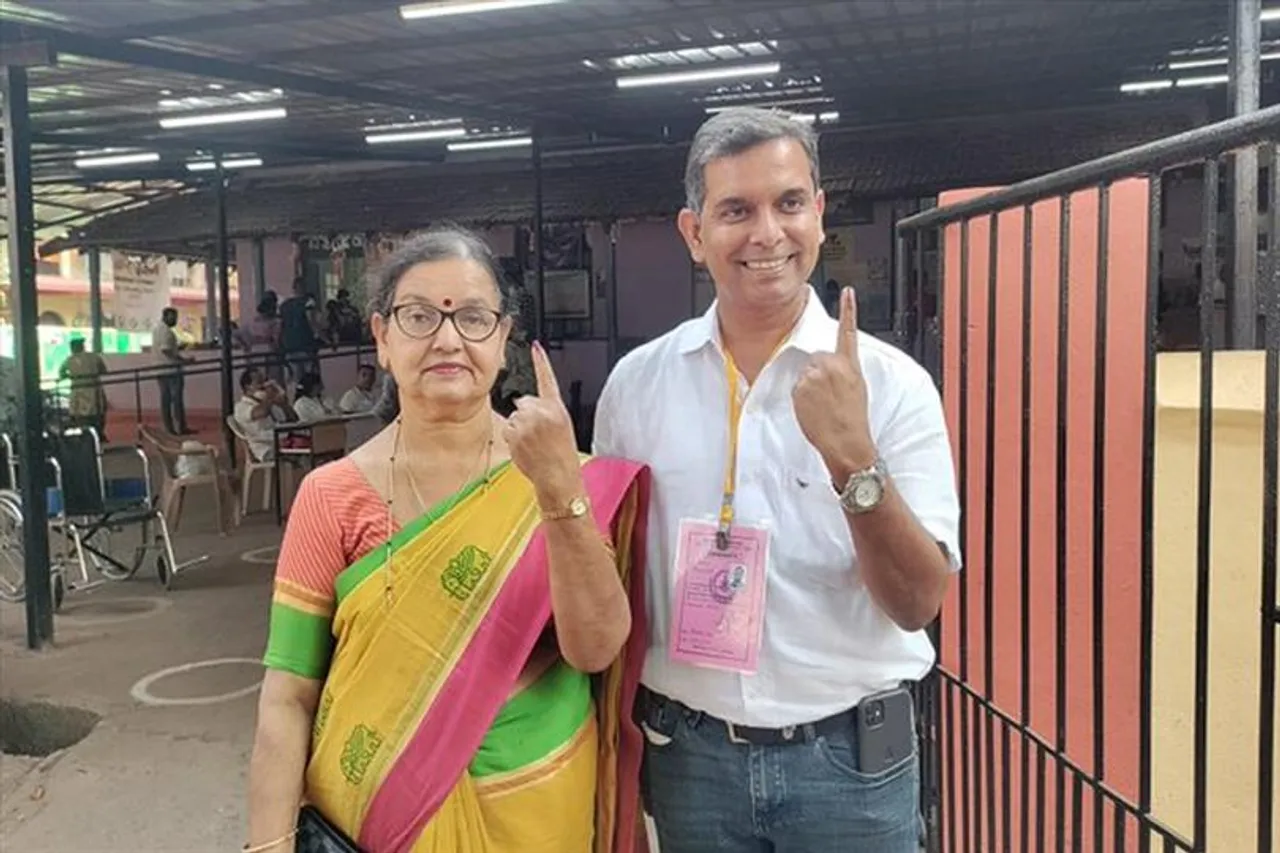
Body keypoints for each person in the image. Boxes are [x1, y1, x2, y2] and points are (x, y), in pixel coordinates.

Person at [592, 107, 961, 852]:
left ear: (818, 214)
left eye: (789, 203)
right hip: (690, 760)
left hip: (851, 768)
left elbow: (918, 603)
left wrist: (853, 460)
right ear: (694, 233)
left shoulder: (893, 385)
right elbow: (608, 575)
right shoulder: (637, 386)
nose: (767, 233)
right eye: (736, 210)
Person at [245, 227, 650, 853]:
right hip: (382, 821)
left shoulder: (562, 475)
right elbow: (289, 697)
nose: (447, 338)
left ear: (503, 338)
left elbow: (595, 649)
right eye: (419, 316)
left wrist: (557, 494)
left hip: (540, 809)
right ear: (382, 338)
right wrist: (269, 846)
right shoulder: (332, 496)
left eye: (473, 317)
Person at [233, 367, 299, 462]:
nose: (264, 385)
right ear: (248, 387)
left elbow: (294, 419)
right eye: (259, 382)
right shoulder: (241, 407)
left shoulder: (268, 403)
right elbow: (262, 412)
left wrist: (284, 404)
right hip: (266, 449)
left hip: (285, 441)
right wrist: (269, 396)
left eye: (265, 381)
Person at [153, 307, 193, 435]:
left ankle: (169, 427)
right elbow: (166, 350)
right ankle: (179, 427)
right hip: (171, 369)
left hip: (160, 369)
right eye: (173, 317)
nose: (175, 320)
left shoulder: (157, 330)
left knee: (165, 400)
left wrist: (177, 348)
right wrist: (183, 360)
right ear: (165, 317)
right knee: (176, 400)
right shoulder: (166, 332)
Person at [58, 337, 108, 440]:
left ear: (73, 348)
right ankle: (99, 434)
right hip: (94, 389)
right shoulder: (94, 357)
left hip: (78, 390)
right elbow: (103, 370)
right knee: (99, 411)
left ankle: (83, 436)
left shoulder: (69, 360)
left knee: (78, 413)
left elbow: (62, 373)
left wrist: (72, 376)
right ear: (83, 346)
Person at [279, 278, 321, 382]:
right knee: (310, 375)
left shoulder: (284, 305)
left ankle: (298, 391)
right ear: (304, 287)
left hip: (289, 345)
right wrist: (322, 336)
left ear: (293, 288)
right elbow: (312, 322)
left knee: (297, 377)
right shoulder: (308, 302)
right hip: (305, 344)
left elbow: (281, 325)